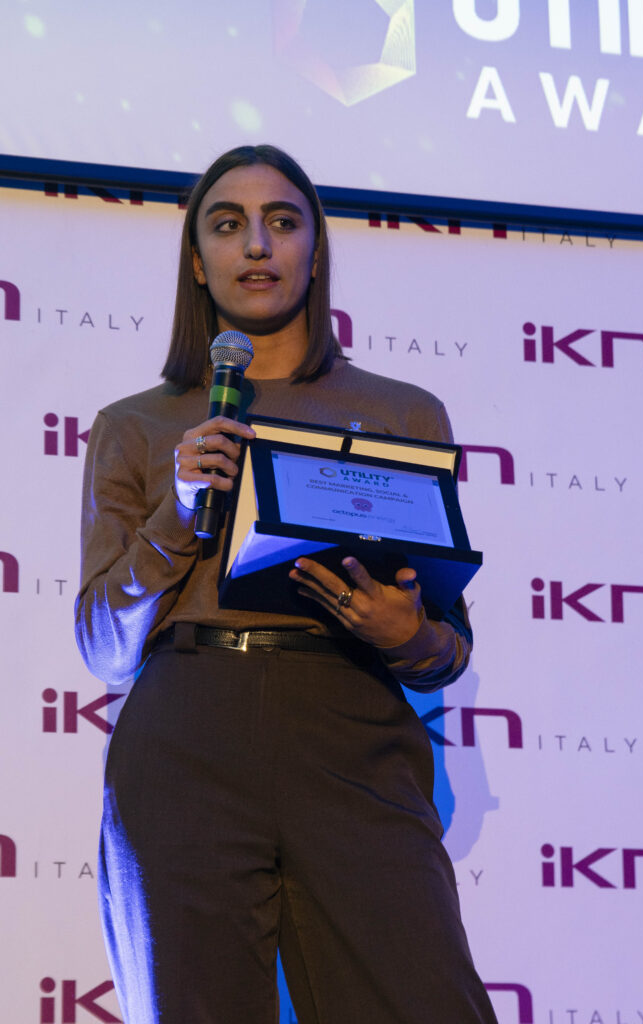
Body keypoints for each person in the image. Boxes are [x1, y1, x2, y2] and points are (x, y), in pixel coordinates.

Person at [75, 144, 498, 1024]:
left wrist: (406, 634)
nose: (257, 245)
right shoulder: (135, 426)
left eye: (281, 221)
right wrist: (178, 507)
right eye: (228, 225)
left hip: (351, 725)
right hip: (186, 737)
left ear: (314, 249)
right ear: (199, 261)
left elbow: (446, 645)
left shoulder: (402, 412)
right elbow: (104, 647)